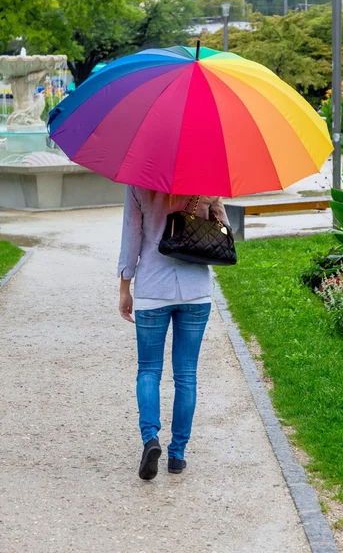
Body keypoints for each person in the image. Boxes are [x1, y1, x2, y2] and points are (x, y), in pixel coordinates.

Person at [118, 187, 229, 481]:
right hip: (195, 290)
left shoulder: (139, 181)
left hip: (153, 289)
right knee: (187, 374)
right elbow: (224, 229)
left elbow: (131, 237)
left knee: (149, 370)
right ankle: (177, 454)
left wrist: (124, 289)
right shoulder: (206, 177)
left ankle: (150, 438)